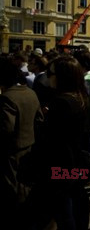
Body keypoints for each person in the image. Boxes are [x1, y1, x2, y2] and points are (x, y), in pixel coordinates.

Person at [32, 56, 90, 229]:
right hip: (76, 162)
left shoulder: (61, 103)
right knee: (76, 202)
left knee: (63, 210)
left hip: (60, 165)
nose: (47, 77)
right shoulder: (80, 97)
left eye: (50, 73)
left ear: (61, 77)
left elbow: (50, 139)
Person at [0, 57, 43, 228]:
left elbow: (6, 130)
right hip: (30, 146)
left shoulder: (7, 98)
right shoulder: (30, 92)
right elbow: (40, 120)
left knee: (12, 190)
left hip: (12, 152)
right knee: (24, 186)